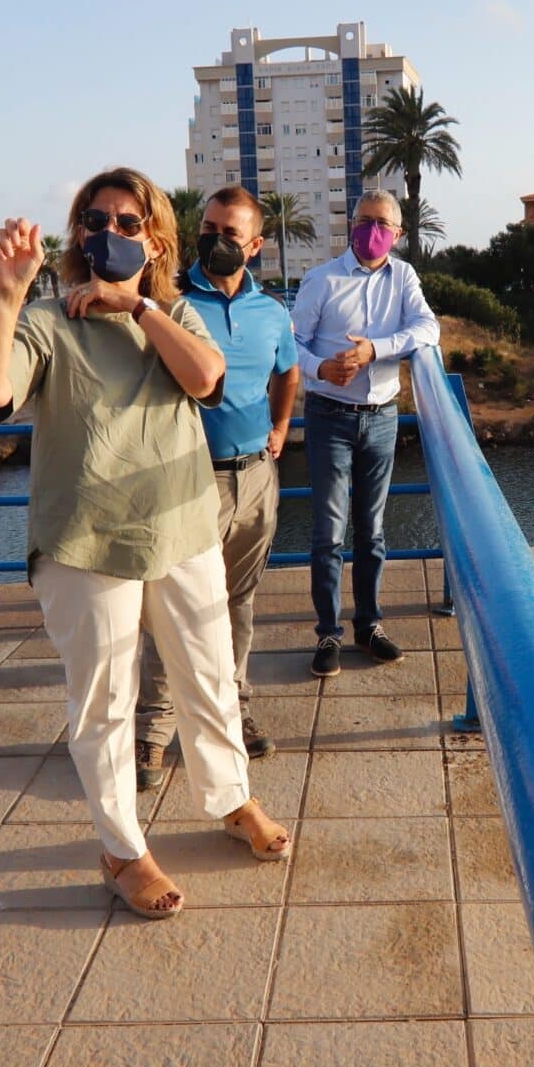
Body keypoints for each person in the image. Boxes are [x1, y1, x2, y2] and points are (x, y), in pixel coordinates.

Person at [0, 167, 292, 920]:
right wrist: (7, 293)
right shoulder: (48, 321)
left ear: (157, 239)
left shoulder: (174, 312)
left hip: (182, 531)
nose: (108, 233)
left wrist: (138, 304)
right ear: (78, 234)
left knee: (207, 678)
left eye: (128, 222)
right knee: (106, 702)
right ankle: (121, 847)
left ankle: (231, 799)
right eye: (94, 220)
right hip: (86, 544)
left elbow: (207, 378)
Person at [134, 184, 299, 791]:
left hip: (255, 476)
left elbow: (288, 371)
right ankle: (152, 730)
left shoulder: (273, 313)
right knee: (167, 606)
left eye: (231, 234)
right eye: (208, 229)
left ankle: (233, 705)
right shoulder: (169, 302)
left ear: (254, 245)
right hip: (184, 477)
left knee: (237, 600)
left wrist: (281, 427)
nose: (215, 241)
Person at [290, 188, 441, 678]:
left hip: (381, 417)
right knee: (328, 532)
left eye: (383, 223)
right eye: (365, 220)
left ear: (397, 234)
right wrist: (318, 369)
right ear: (351, 224)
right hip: (329, 416)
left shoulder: (404, 276)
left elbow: (428, 328)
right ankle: (328, 633)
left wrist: (376, 350)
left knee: (372, 532)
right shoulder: (322, 280)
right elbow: (290, 345)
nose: (373, 230)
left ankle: (368, 625)